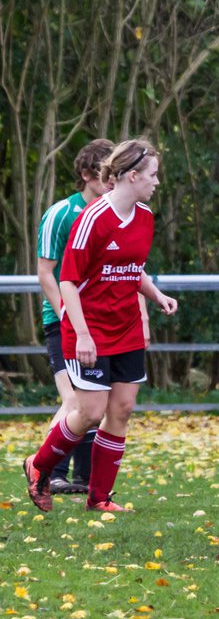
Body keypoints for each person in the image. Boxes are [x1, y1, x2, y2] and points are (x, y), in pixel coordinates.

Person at [23, 139, 178, 513]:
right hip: (88, 329)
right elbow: (67, 281)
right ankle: (38, 466)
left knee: (121, 409)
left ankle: (100, 498)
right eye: (153, 175)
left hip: (124, 328)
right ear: (132, 175)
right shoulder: (91, 219)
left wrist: (156, 295)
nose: (157, 182)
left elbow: (130, 268)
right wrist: (84, 335)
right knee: (89, 413)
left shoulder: (145, 217)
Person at [35, 139, 114, 494]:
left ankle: (83, 479)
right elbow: (46, 272)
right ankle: (46, 472)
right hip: (63, 321)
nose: (112, 182)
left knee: (98, 399)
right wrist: (69, 314)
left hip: (100, 322)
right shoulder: (61, 214)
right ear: (86, 175)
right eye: (105, 174)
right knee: (74, 400)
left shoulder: (114, 213)